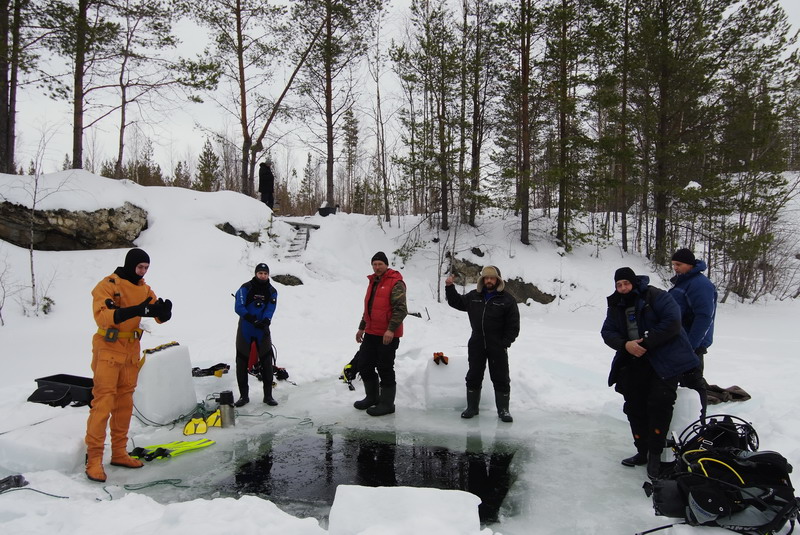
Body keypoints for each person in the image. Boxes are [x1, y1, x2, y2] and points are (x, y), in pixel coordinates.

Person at [601, 267, 699, 479]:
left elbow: (672, 322)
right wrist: (625, 345)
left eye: (626, 283)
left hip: (664, 361)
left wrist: (646, 342)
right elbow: (607, 331)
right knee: (634, 406)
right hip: (634, 361)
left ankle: (655, 456)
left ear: (634, 282)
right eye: (619, 285)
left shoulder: (656, 296)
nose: (623, 288)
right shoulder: (616, 304)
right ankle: (642, 451)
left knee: (659, 404)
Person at [85, 248, 173, 482]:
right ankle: (94, 459)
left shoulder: (144, 288)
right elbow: (103, 316)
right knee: (103, 403)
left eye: (146, 267)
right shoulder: (108, 284)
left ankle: (119, 452)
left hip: (130, 351)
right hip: (108, 349)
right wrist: (135, 310)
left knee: (124, 404)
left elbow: (154, 310)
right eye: (139, 267)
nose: (143, 271)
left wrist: (163, 313)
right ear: (130, 264)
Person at [445, 266, 520, 422]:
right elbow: (456, 302)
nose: (489, 281)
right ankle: (472, 408)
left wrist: (505, 342)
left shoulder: (507, 300)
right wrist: (449, 287)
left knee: (501, 377)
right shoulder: (474, 296)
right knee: (474, 375)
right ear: (482, 280)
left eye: (492, 278)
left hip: (497, 344)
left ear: (498, 280)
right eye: (486, 278)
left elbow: (513, 325)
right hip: (477, 342)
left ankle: (503, 410)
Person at [354, 251, 407, 417]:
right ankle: (372, 397)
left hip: (388, 334)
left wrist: (391, 329)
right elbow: (368, 308)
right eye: (374, 264)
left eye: (380, 264)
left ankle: (387, 403)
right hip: (371, 332)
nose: (377, 267)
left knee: (384, 367)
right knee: (364, 364)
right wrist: (362, 327)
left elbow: (401, 309)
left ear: (386, 265)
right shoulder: (373, 282)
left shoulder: (396, 282)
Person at [234, 263, 278, 407]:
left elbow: (271, 308)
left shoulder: (272, 291)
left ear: (268, 275)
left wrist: (265, 321)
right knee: (241, 361)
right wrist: (251, 319)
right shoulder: (246, 287)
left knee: (266, 361)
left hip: (261, 329)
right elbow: (238, 307)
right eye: (260, 273)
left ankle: (268, 396)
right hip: (246, 328)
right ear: (255, 274)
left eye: (265, 273)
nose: (263, 276)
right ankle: (244, 396)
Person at [669, 248, 717, 375]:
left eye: (678, 264)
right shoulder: (684, 282)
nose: (675, 267)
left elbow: (705, 317)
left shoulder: (700, 284)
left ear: (690, 265)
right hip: (681, 341)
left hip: (692, 344)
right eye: (673, 264)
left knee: (692, 386)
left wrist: (691, 346)